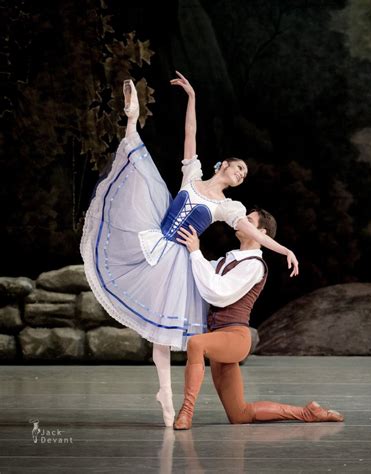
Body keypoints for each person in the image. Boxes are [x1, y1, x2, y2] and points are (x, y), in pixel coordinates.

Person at [79, 72, 299, 427]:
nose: (241, 174)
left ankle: (166, 396)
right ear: (223, 165)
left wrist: (283, 248)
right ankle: (132, 120)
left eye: (245, 174)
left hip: (178, 259)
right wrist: (192, 97)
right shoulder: (192, 174)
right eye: (238, 167)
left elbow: (255, 235)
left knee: (163, 333)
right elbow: (190, 133)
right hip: (157, 240)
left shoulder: (228, 208)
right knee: (138, 163)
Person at [173, 208, 344, 430]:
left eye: (249, 220)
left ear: (261, 231)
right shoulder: (228, 260)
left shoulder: (254, 265)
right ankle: (307, 412)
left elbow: (218, 292)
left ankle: (186, 412)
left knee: (196, 343)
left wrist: (196, 253)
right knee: (239, 415)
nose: (242, 221)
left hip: (235, 337)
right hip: (220, 341)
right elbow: (201, 273)